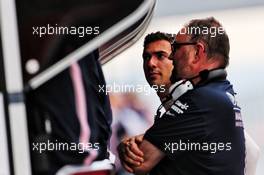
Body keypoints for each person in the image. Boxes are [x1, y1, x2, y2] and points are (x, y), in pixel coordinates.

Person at [118, 18, 260, 175]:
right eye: (146, 57)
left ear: (197, 53)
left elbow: (252, 152)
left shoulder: (199, 100)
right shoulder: (217, 92)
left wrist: (133, 145)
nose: (151, 63)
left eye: (162, 55)